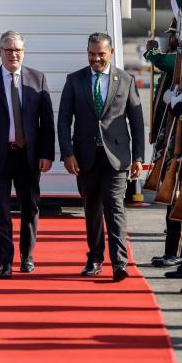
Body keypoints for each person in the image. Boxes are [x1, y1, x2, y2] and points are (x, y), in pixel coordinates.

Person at [58, 32, 145, 281]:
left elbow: (136, 121)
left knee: (114, 206)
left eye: (100, 54)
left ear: (111, 53)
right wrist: (67, 154)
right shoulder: (74, 80)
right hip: (85, 157)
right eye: (91, 54)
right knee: (92, 209)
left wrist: (138, 157)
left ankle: (119, 262)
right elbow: (64, 120)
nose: (95, 59)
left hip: (116, 156)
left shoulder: (126, 80)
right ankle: (95, 259)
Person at [0, 31, 55, 278]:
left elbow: (46, 123)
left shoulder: (37, 79)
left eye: (17, 50)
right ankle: (4, 261)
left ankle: (27, 257)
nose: (13, 54)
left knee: (30, 208)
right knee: (0, 211)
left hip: (28, 157)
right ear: (0, 53)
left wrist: (47, 154)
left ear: (23, 52)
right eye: (8, 50)